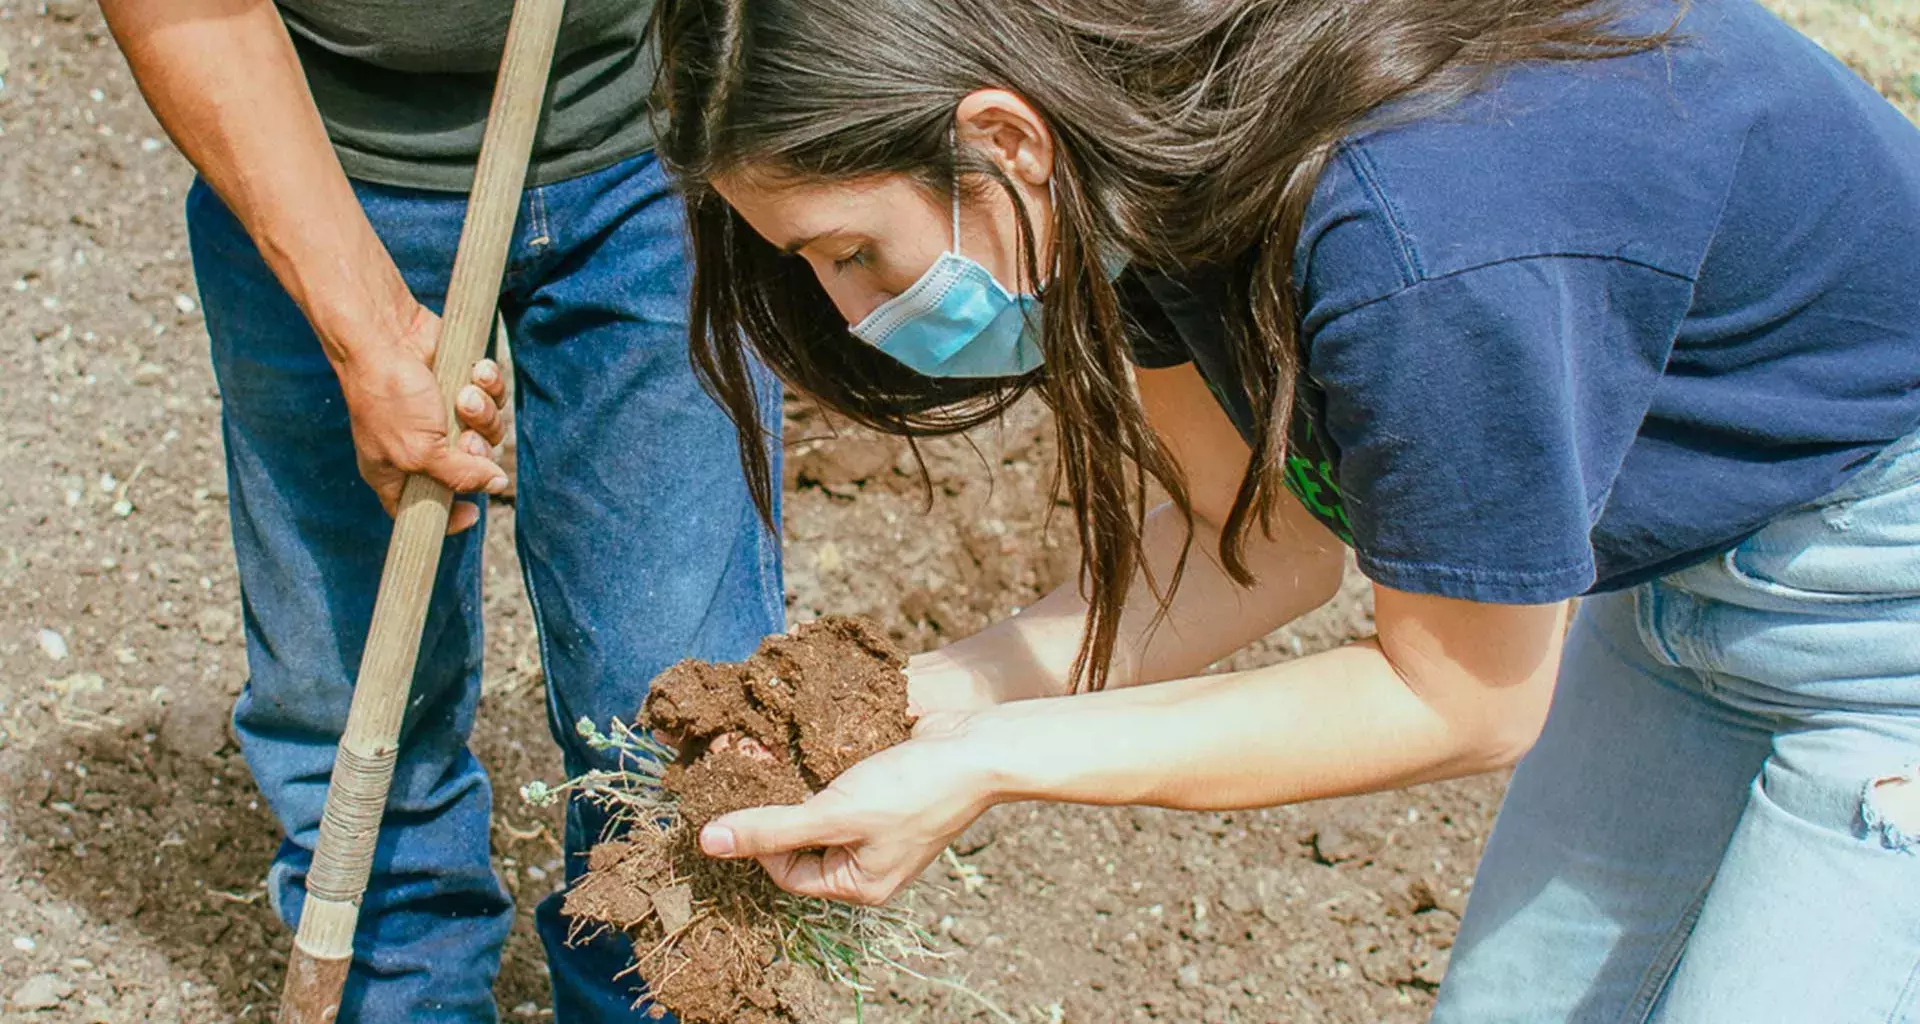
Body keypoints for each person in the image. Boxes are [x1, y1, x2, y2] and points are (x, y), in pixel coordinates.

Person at [641, 0, 1920, 1020]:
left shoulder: (1422, 234)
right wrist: (903, 709)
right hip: (1686, 608)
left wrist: (990, 764)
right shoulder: (1133, 170)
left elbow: (1465, 699)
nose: (856, 313)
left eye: (849, 252)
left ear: (1002, 142)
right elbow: (1244, 541)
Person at [99, 1, 783, 1020]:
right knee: (349, 691)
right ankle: (395, 983)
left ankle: (659, 996)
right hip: (317, 153)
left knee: (679, 701)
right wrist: (361, 326)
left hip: (654, 146)